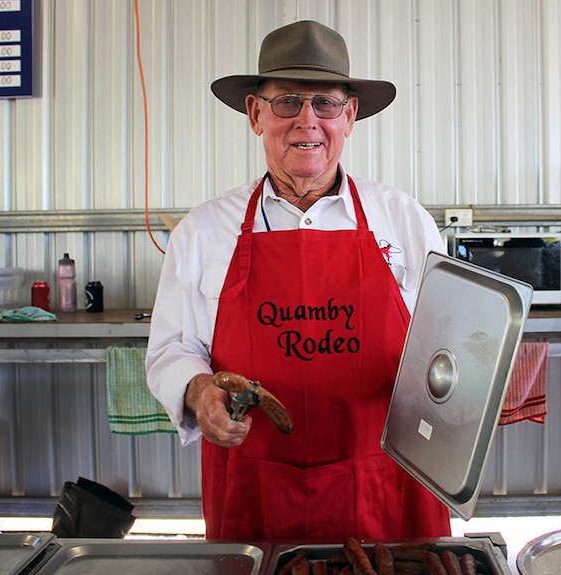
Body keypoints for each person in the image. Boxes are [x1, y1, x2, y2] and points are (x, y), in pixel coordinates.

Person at [145, 19, 451, 541]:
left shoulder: (404, 220)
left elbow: (449, 344)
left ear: (349, 115)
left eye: (325, 104)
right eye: (287, 101)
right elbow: (171, 348)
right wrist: (198, 390)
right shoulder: (202, 231)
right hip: (254, 490)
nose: (307, 121)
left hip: (386, 485)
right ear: (255, 114)